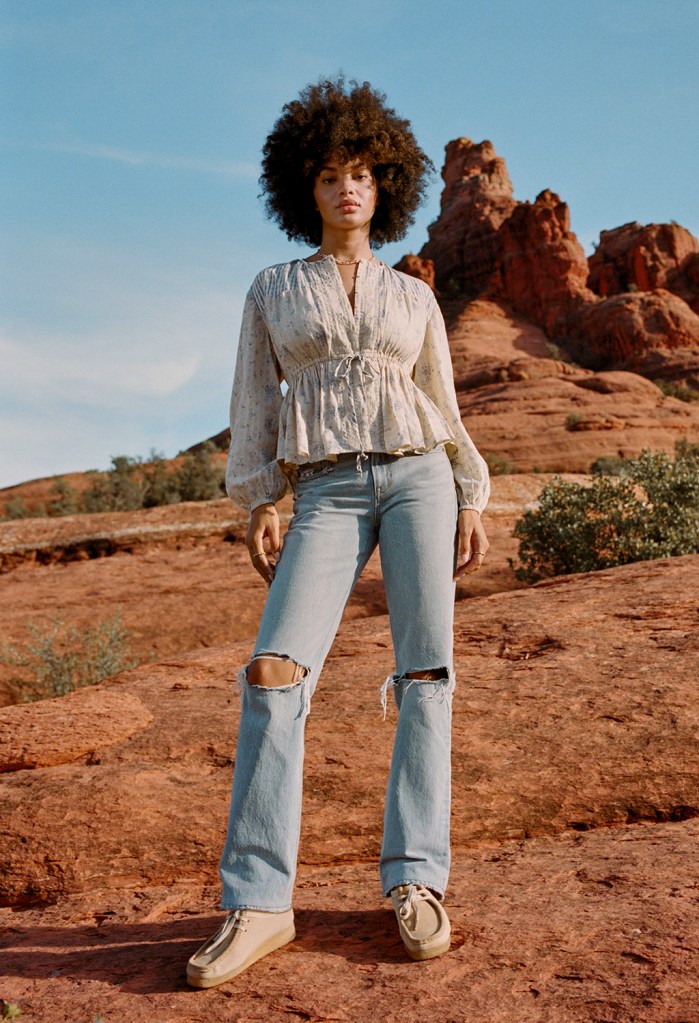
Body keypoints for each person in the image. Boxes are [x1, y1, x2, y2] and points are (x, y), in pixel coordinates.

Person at [186, 78, 490, 989]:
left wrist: (470, 492)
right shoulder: (275, 288)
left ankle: (416, 881)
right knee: (274, 669)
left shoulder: (414, 298)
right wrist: (260, 496)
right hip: (323, 489)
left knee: (425, 670)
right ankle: (260, 901)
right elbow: (253, 400)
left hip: (417, 476)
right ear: (304, 190)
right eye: (329, 175)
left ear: (383, 184)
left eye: (361, 174)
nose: (347, 189)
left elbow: (438, 400)